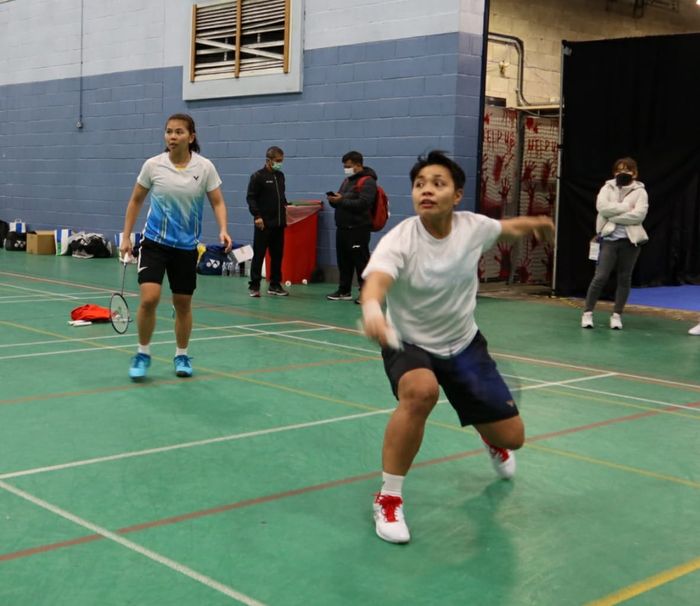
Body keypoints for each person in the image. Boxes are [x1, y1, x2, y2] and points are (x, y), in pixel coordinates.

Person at [359, 150, 554, 544]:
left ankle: (489, 438)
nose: (426, 191)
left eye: (437, 183)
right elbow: (377, 280)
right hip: (410, 340)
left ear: (457, 195)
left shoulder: (472, 227)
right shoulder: (401, 239)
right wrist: (372, 310)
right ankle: (389, 497)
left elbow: (505, 228)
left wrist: (535, 222)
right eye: (419, 185)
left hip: (463, 343)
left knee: (512, 437)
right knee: (420, 392)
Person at [120, 113, 232, 381]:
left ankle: (181, 354)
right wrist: (126, 236)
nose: (172, 136)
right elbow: (135, 201)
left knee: (182, 303)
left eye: (179, 132)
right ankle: (142, 352)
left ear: (191, 137)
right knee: (149, 298)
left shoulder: (204, 168)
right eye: (169, 131)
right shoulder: (153, 166)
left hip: (186, 247)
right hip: (154, 243)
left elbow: (217, 201)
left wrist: (224, 229)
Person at [581, 157, 648, 330]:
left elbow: (638, 216)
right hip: (609, 240)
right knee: (600, 276)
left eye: (627, 170)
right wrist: (626, 207)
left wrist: (613, 215)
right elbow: (602, 208)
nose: (622, 173)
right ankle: (587, 313)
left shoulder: (640, 192)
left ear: (634, 173)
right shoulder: (607, 188)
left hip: (630, 242)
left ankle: (617, 315)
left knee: (624, 278)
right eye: (619, 170)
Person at [326, 151, 376, 303]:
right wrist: (333, 200)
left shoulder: (368, 182)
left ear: (358, 165)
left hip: (358, 228)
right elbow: (342, 200)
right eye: (345, 166)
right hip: (342, 227)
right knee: (344, 262)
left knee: (361, 262)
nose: (346, 169)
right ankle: (344, 290)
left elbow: (363, 204)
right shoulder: (347, 181)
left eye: (348, 166)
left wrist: (341, 201)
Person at [246, 146, 289, 297]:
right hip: (263, 223)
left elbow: (280, 197)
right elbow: (251, 198)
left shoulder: (281, 176)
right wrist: (257, 216)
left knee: (277, 255)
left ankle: (275, 285)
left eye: (281, 161)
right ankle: (254, 286)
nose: (280, 163)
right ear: (268, 160)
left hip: (279, 223)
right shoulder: (258, 176)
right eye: (277, 161)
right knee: (259, 255)